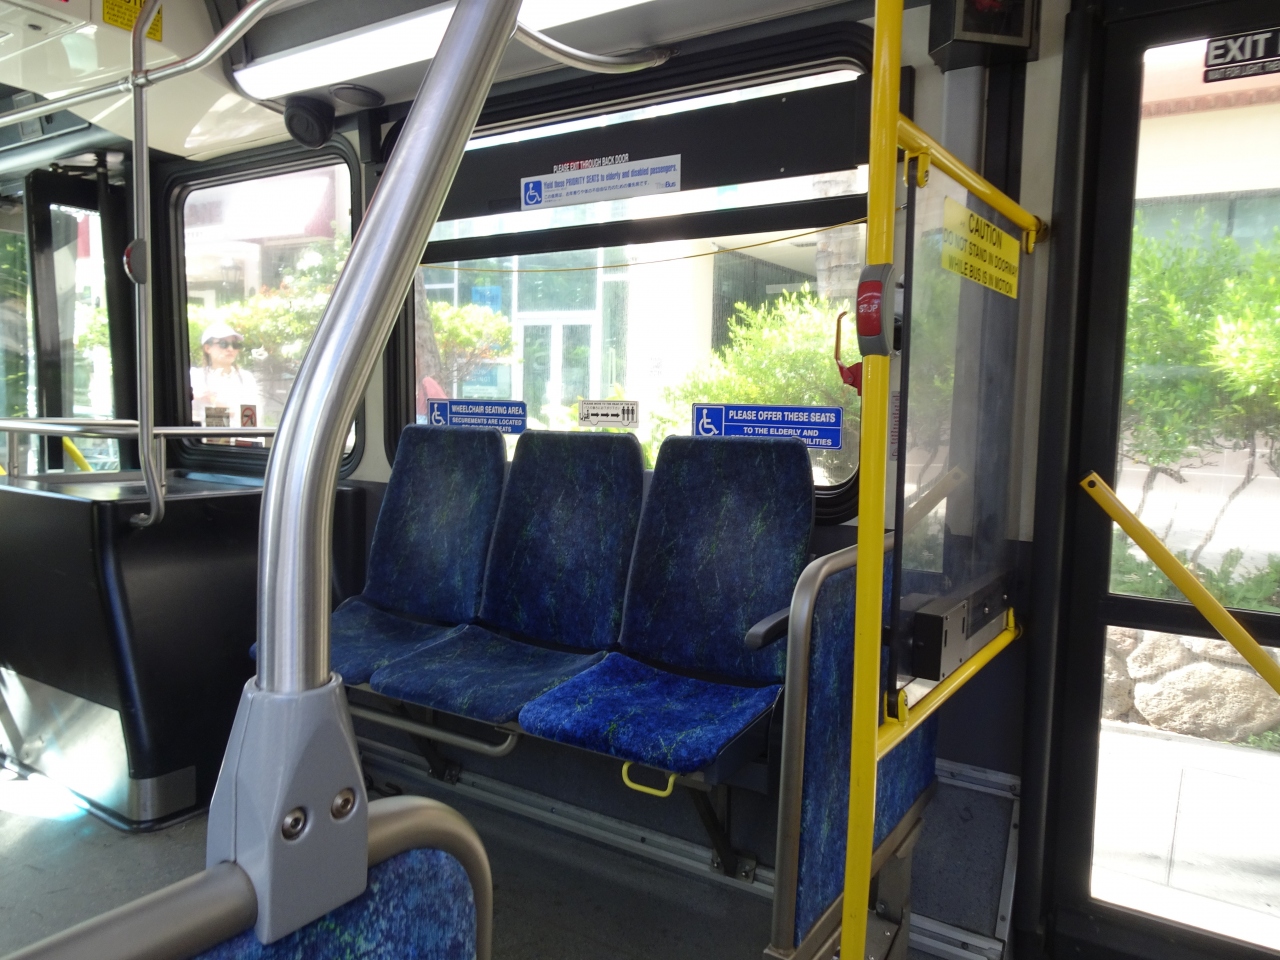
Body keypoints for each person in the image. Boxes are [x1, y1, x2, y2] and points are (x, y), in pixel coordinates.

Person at [191, 321, 261, 430]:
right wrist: (193, 397)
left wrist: (221, 407)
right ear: (207, 348)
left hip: (240, 439)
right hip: (203, 440)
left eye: (235, 345)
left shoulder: (246, 379)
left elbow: (252, 422)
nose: (230, 349)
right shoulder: (195, 377)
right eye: (223, 344)